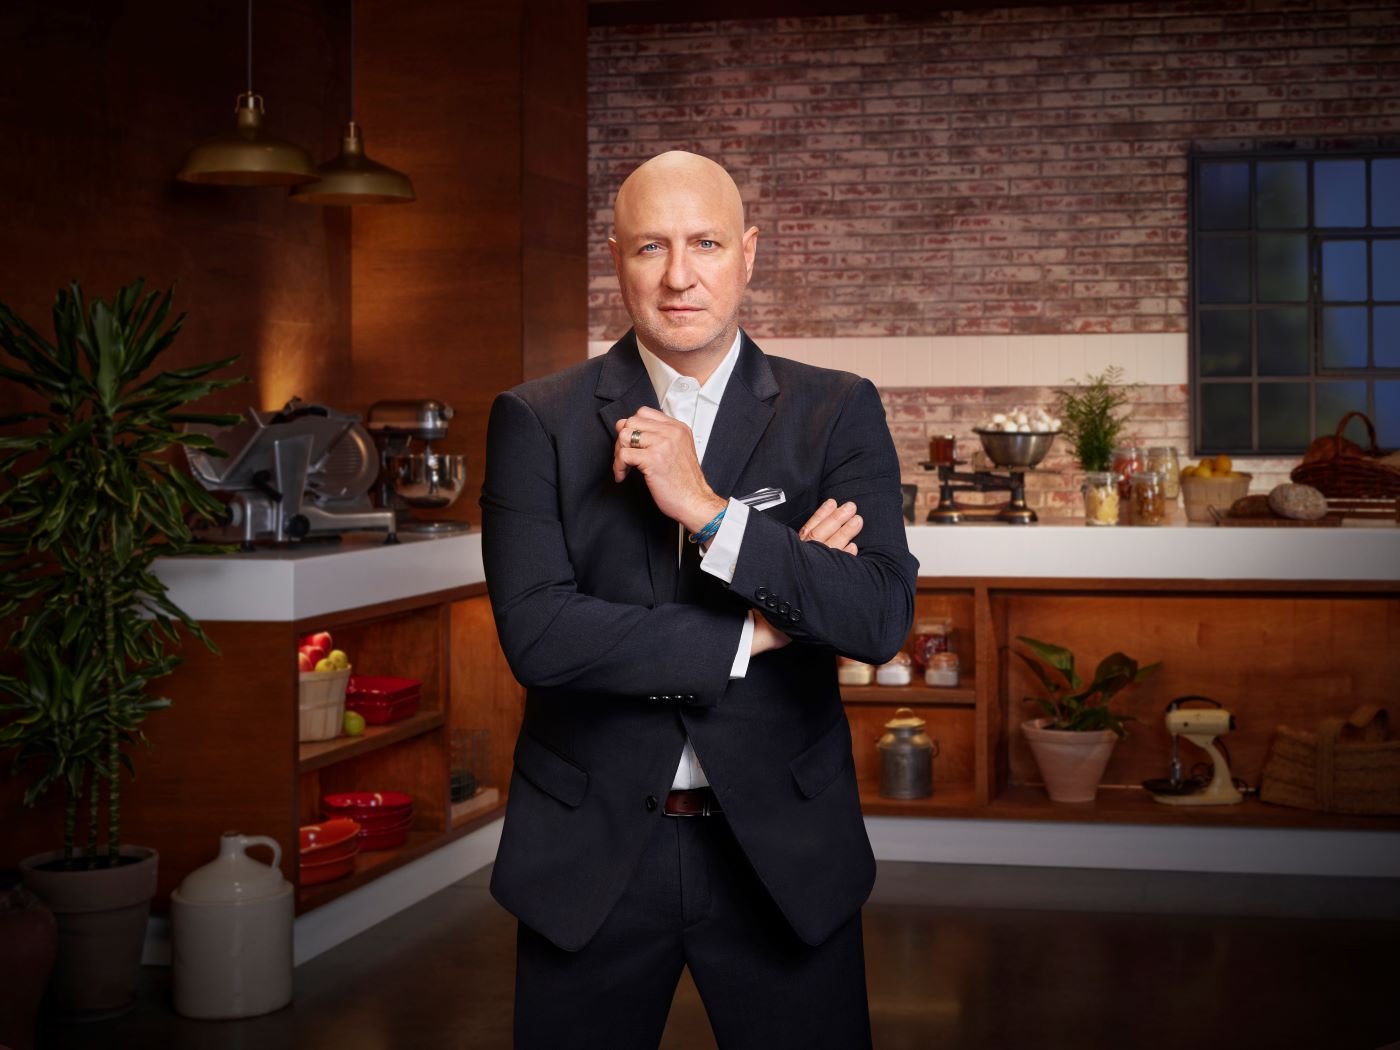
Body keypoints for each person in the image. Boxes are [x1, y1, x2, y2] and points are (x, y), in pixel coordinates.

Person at [480, 150, 918, 1049]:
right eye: (651, 247)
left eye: (706, 243)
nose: (679, 275)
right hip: (589, 855)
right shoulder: (536, 419)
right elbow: (541, 635)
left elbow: (875, 618)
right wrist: (761, 626)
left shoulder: (835, 410)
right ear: (616, 259)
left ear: (748, 254)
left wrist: (712, 515)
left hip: (784, 855)